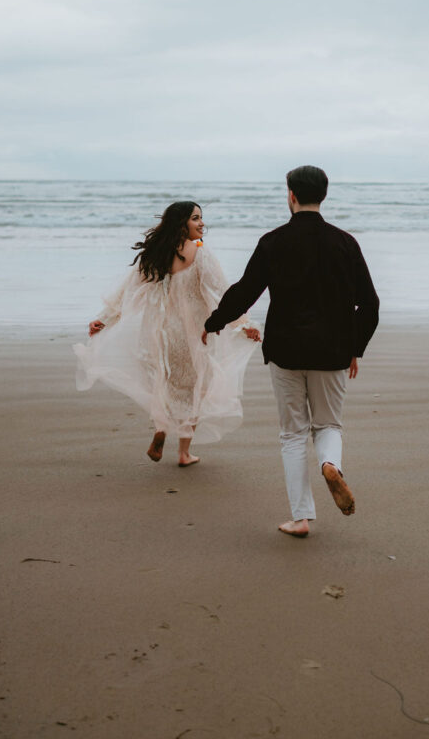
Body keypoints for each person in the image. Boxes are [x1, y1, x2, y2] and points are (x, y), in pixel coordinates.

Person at [202, 166, 379, 536]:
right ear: (323, 196)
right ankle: (330, 464)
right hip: (332, 352)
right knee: (328, 424)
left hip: (285, 351)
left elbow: (245, 290)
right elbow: (370, 304)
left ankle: (300, 518)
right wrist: (354, 347)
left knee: (293, 433)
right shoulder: (345, 243)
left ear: (291, 195)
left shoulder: (274, 241)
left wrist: (213, 322)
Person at [75, 201, 260, 466]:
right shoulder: (200, 252)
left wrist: (104, 319)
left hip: (158, 331)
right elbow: (223, 291)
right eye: (196, 218)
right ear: (182, 222)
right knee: (196, 388)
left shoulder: (155, 253)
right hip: (194, 332)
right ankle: (184, 453)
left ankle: (161, 429)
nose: (202, 223)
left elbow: (128, 289)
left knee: (165, 383)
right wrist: (243, 324)